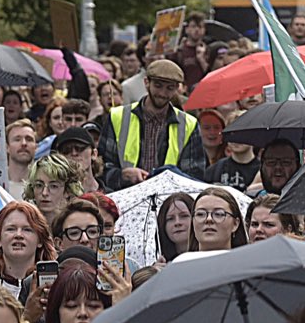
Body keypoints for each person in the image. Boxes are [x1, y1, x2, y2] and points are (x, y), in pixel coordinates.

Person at [98, 58, 206, 189]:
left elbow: (194, 177)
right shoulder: (118, 116)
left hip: (169, 200)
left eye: (169, 88)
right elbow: (101, 167)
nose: (162, 93)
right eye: (158, 86)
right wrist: (122, 175)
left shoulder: (189, 124)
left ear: (177, 88)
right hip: (125, 195)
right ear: (146, 82)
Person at [191, 187, 247, 252]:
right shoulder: (180, 261)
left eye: (218, 214)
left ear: (235, 224)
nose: (209, 219)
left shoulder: (249, 261)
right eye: (200, 214)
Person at [3, 119, 40, 199]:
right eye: (17, 139)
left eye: (29, 139)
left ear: (36, 147)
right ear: (7, 147)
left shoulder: (43, 186)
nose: (24, 143)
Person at [156, 192, 197, 262]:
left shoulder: (210, 256)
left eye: (184, 216)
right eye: (170, 219)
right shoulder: (161, 267)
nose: (177, 223)